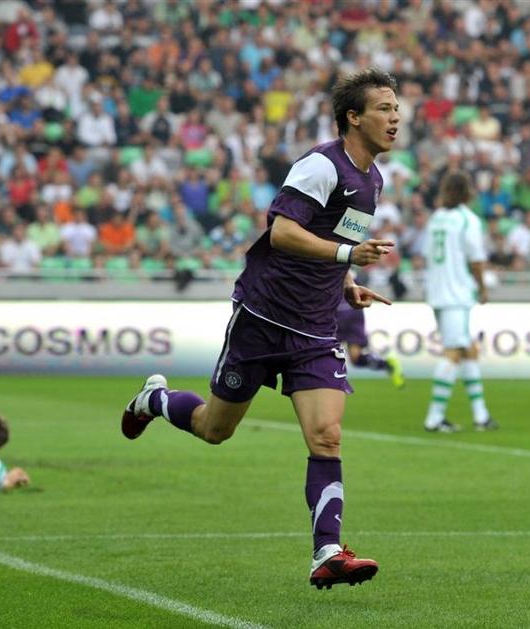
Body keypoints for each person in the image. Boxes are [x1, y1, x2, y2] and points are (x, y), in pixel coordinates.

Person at [120, 69, 401, 590]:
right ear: (353, 117)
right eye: (384, 108)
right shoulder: (321, 165)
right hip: (264, 317)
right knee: (214, 429)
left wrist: (345, 284)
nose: (395, 117)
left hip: (315, 328)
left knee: (327, 435)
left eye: (396, 108)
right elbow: (284, 233)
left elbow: (332, 238)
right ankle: (154, 399)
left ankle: (327, 552)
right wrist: (346, 256)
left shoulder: (373, 181)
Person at [421, 171, 499, 433]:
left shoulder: (436, 218)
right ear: (468, 193)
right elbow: (476, 260)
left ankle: (481, 415)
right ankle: (434, 418)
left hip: (437, 291)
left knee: (469, 350)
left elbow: (428, 253)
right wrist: (482, 288)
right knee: (453, 352)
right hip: (457, 294)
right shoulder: (468, 220)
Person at [335, 299, 405, 388]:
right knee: (349, 356)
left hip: (349, 310)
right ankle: (388, 365)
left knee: (354, 357)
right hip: (339, 310)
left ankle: (388, 365)